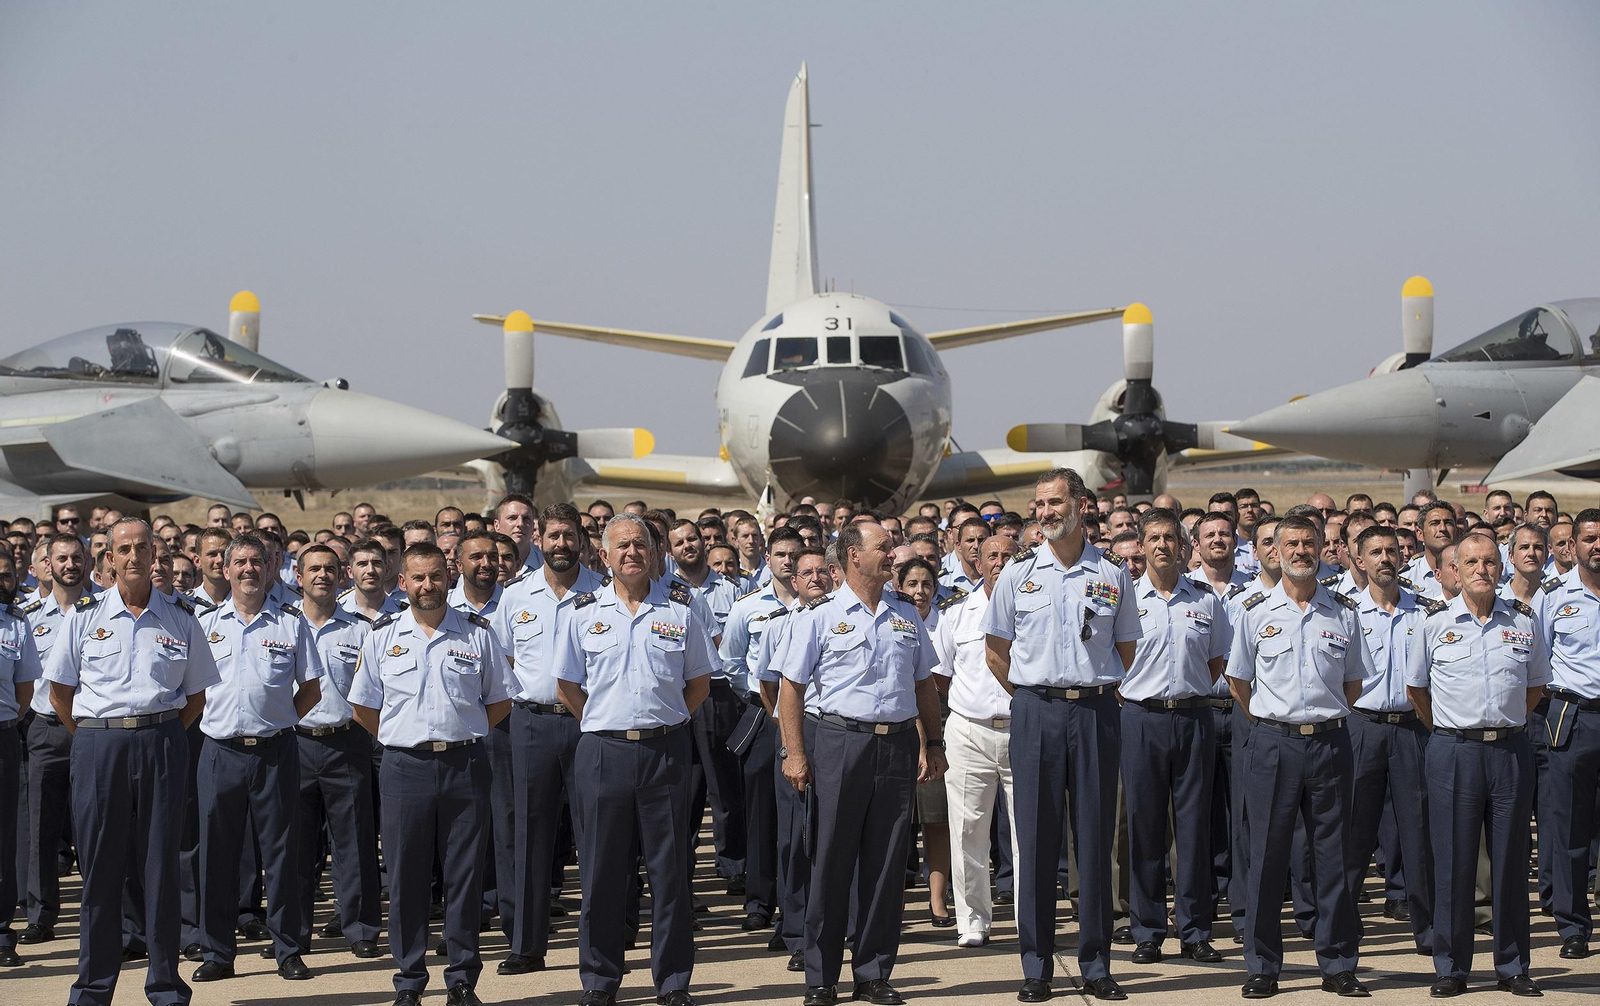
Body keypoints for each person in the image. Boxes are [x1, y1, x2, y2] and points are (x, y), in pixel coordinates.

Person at [44, 518, 219, 1006]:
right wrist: (97, 739)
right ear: (110, 559)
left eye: (144, 547)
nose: (135, 556)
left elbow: (197, 694)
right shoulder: (84, 614)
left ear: (156, 555)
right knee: (100, 868)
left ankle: (165, 985)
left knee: (162, 865)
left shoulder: (181, 615)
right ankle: (93, 988)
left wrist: (156, 734)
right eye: (125, 549)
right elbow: (60, 692)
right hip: (100, 746)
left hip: (162, 740)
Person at [982, 468, 1139, 1003]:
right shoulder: (1017, 574)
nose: (1045, 512)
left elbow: (1126, 650)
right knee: (1037, 842)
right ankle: (1036, 966)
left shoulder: (1114, 574)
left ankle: (1097, 963)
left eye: (1054, 502)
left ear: (1081, 506)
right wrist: (1035, 696)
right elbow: (995, 652)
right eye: (1039, 504)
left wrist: (1082, 688)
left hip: (1095, 713)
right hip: (1034, 714)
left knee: (1095, 843)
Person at [775, 521, 945, 1006]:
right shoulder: (819, 615)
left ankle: (872, 971)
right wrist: (796, 753)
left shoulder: (905, 615)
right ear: (853, 556)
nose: (893, 553)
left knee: (886, 862)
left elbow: (923, 685)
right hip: (838, 744)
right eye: (883, 547)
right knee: (830, 860)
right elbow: (791, 689)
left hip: (894, 748)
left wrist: (932, 743)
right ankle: (821, 977)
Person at [553, 513, 713, 1006]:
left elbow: (699, 684)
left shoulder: (682, 608)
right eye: (620, 546)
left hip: (665, 751)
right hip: (602, 752)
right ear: (603, 556)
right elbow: (566, 686)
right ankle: (600, 981)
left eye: (640, 545)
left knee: (669, 874)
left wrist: (659, 722)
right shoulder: (581, 612)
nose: (631, 553)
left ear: (654, 552)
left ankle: (672, 983)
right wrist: (607, 722)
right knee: (602, 871)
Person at [349, 543, 511, 1006]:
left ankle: (461, 979)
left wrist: (463, 731)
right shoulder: (383, 635)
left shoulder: (477, 633)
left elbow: (498, 700)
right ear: (402, 582)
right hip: (404, 768)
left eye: (436, 576)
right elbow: (363, 705)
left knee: (464, 875)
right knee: (406, 876)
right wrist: (405, 736)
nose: (427, 586)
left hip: (465, 764)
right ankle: (409, 980)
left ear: (450, 576)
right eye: (417, 578)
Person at [1226, 514, 1371, 998]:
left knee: (1333, 856)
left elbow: (1354, 682)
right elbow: (1239, 681)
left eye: (1310, 543)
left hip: (1330, 741)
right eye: (1292, 544)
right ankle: (1263, 965)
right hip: (1273, 742)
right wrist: (1278, 723)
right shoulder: (1253, 610)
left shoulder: (1343, 612)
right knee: (1266, 855)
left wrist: (1319, 719)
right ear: (1276, 551)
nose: (1302, 551)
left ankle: (1337, 963)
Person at [1407, 533, 1547, 997]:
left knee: (1510, 862)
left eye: (1489, 561)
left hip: (1509, 751)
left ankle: (1512, 965)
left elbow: (1534, 688)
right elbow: (1417, 692)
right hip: (1454, 751)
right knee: (1453, 861)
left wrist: (1501, 725)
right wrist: (1454, 730)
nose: (1481, 570)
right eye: (1471, 562)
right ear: (1455, 569)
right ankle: (1451, 966)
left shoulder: (1524, 622)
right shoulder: (1432, 624)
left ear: (1501, 565)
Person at [192, 534, 323, 983]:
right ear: (225, 570)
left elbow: (310, 689)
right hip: (219, 753)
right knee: (217, 854)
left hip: (275, 752)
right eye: (240, 562)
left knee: (283, 853)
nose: (249, 569)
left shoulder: (291, 623)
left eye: (256, 562)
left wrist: (281, 718)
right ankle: (217, 953)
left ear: (270, 569)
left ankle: (287, 948)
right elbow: (190, 692)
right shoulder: (204, 625)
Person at [491, 505, 605, 976]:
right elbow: (504, 659)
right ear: (537, 539)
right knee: (528, 835)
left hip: (589, 726)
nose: (561, 544)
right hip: (532, 723)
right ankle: (526, 944)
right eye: (553, 535)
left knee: (595, 834)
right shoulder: (516, 595)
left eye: (569, 536)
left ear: (581, 540)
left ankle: (597, 946)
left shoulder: (603, 593)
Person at [1119, 508, 1228, 965]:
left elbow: (1218, 660)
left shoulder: (1204, 601)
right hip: (1140, 718)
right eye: (1154, 538)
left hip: (1193, 717)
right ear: (1142, 547)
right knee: (1144, 827)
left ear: (1184, 548)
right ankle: (1146, 929)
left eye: (1170, 538)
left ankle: (1196, 930)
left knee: (1195, 829)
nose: (1162, 545)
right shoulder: (1125, 599)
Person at [1344, 525, 1440, 957]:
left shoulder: (1426, 612)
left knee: (1419, 831)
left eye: (1392, 552)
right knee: (1351, 831)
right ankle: (1343, 926)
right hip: (1361, 727)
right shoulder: (1345, 613)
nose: (1385, 558)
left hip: (1412, 727)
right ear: (1359, 561)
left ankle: (1429, 929)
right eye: (1375, 552)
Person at [292, 544, 382, 959]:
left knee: (355, 841)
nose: (322, 576)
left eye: (330, 569)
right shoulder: (282, 624)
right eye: (314, 569)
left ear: (341, 574)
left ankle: (361, 928)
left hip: (347, 742)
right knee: (293, 845)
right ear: (299, 576)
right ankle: (292, 933)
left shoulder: (361, 629)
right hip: (293, 743)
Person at [934, 533, 1020, 949]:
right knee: (968, 830)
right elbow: (938, 675)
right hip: (969, 729)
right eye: (992, 555)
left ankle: (1030, 918)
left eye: (1008, 554)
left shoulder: (1034, 608)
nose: (1000, 562)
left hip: (1024, 729)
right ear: (978, 562)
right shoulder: (956, 613)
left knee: (1028, 832)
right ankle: (972, 920)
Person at [717, 527, 805, 934]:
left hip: (808, 716)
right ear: (767, 559)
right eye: (781, 554)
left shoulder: (820, 605)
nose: (788, 561)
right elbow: (731, 662)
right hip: (763, 714)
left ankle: (797, 903)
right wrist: (759, 700)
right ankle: (759, 900)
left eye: (795, 554)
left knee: (799, 814)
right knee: (760, 812)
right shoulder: (748, 606)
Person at [18, 534, 89, 949]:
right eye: (60, 558)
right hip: (46, 730)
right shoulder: (28, 615)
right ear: (46, 564)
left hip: (93, 730)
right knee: (41, 828)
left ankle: (103, 915)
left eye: (76, 557)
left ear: (88, 562)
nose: (68, 564)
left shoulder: (101, 609)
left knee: (96, 828)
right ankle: (40, 914)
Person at [1537, 508, 1600, 962]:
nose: (1597, 546)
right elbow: (1537, 661)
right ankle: (1573, 925)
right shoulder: (1553, 595)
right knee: (1569, 827)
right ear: (1573, 545)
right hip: (1573, 716)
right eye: (1590, 539)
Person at [898, 558, 953, 930]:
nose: (920, 591)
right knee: (897, 823)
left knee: (936, 818)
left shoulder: (947, 621)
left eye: (927, 584)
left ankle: (937, 899)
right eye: (912, 584)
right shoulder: (894, 618)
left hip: (939, 722)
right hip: (900, 726)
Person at [0, 548, 41, 968]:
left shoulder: (16, 624)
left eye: (5, 573)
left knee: (3, 839)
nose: (1, 578)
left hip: (2, 738)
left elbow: (24, 687)